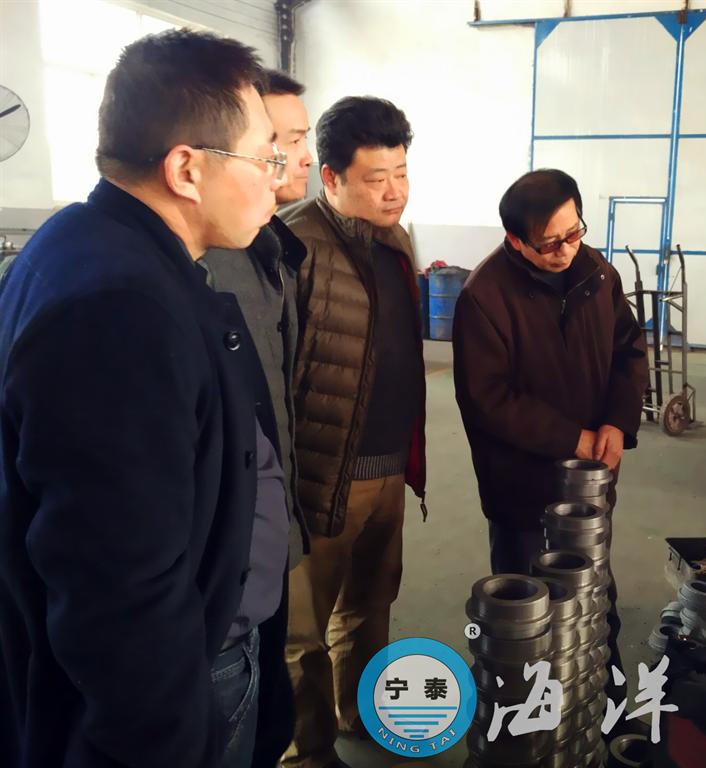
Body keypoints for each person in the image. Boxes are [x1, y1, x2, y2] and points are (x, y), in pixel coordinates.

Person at [0, 30, 294, 768]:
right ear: (187, 169)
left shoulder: (92, 243)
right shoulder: (118, 308)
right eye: (266, 158)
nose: (280, 180)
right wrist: (166, 741)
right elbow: (117, 589)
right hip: (181, 689)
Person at [451, 168, 648, 702]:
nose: (565, 250)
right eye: (549, 243)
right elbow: (488, 399)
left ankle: (605, 709)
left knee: (594, 600)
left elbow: (629, 350)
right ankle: (527, 723)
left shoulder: (597, 275)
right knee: (528, 621)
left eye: (573, 232)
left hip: (588, 484)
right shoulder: (484, 296)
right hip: (521, 489)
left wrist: (616, 423)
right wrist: (571, 438)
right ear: (516, 240)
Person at [280, 96, 426, 768]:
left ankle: (360, 714)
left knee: (371, 605)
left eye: (401, 173)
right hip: (322, 475)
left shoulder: (396, 241)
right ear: (331, 177)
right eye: (376, 178)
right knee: (302, 631)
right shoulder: (292, 244)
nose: (394, 191)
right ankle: (305, 753)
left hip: (389, 468)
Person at [201, 68, 315, 768]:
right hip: (227, 574)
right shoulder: (201, 269)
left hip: (266, 535)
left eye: (301, 139)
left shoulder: (270, 247)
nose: (301, 157)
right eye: (282, 140)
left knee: (269, 713)